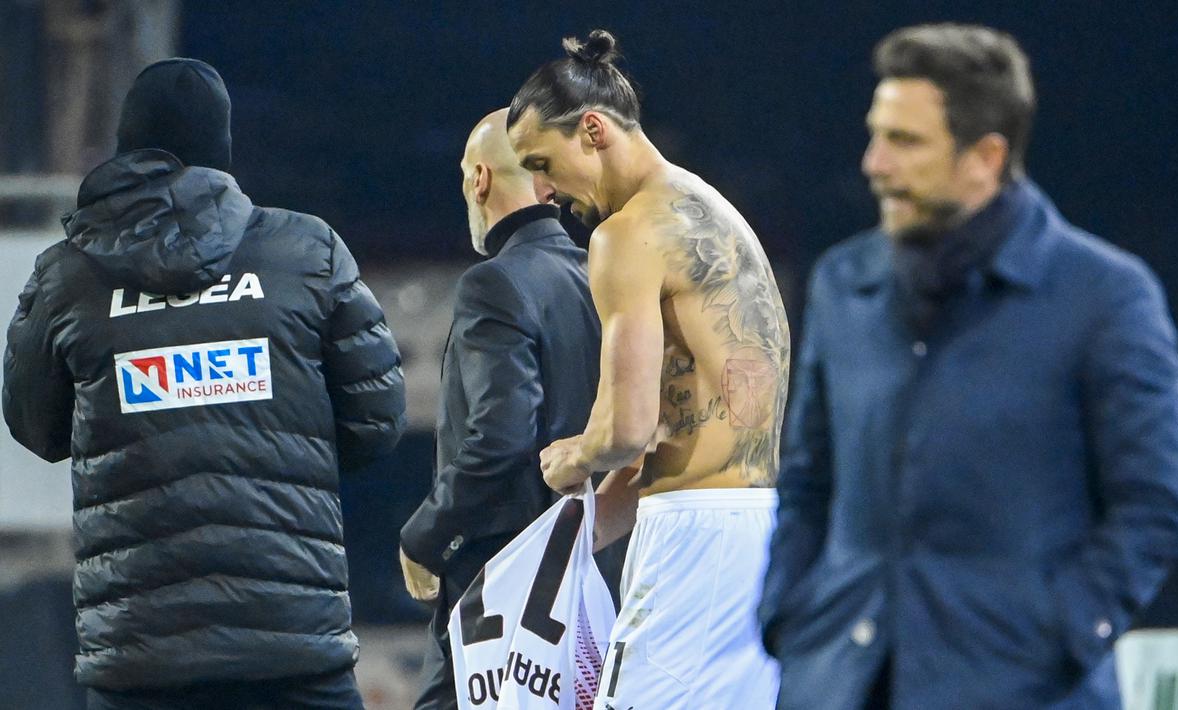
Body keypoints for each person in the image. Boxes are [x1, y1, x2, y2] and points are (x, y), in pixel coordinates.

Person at [759, 24, 1178, 709]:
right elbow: (808, 480)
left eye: (904, 141)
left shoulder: (1106, 295)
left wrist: (1061, 632)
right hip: (837, 682)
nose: (874, 164)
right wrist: (788, 613)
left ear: (985, 157)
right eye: (875, 134)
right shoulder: (842, 282)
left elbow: (1159, 507)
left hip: (1021, 688)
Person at [2, 58, 406, 709]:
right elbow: (376, 422)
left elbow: (36, 428)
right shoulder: (307, 251)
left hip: (140, 658)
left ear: (127, 145)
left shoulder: (67, 276)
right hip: (292, 646)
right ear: (221, 150)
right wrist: (280, 443)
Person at [508, 30, 789, 708]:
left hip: (696, 538)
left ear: (594, 131)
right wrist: (594, 519)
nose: (543, 189)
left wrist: (573, 457)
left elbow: (626, 430)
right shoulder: (707, 210)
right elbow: (686, 421)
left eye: (543, 161)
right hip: (760, 527)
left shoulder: (625, 233)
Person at [398, 108, 615, 710]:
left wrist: (423, 537)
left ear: (480, 181)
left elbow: (500, 437)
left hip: (502, 593)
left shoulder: (493, 283)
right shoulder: (601, 278)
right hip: (590, 583)